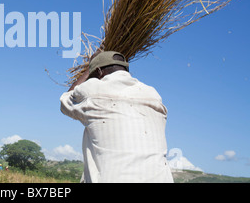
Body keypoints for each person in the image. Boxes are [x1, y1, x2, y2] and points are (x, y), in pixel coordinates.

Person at [60, 50, 174, 183]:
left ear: (99, 72)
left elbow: (65, 100)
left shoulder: (93, 89)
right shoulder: (153, 95)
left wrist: (88, 70)